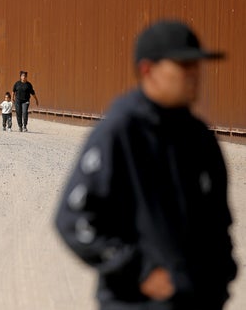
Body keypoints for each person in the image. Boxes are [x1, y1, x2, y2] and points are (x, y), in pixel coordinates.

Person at [54, 20, 237, 310]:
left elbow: (218, 219)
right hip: (136, 304)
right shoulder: (121, 132)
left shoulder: (200, 138)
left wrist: (220, 281)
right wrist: (140, 270)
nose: (194, 76)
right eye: (183, 66)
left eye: (196, 67)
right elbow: (74, 219)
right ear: (147, 70)